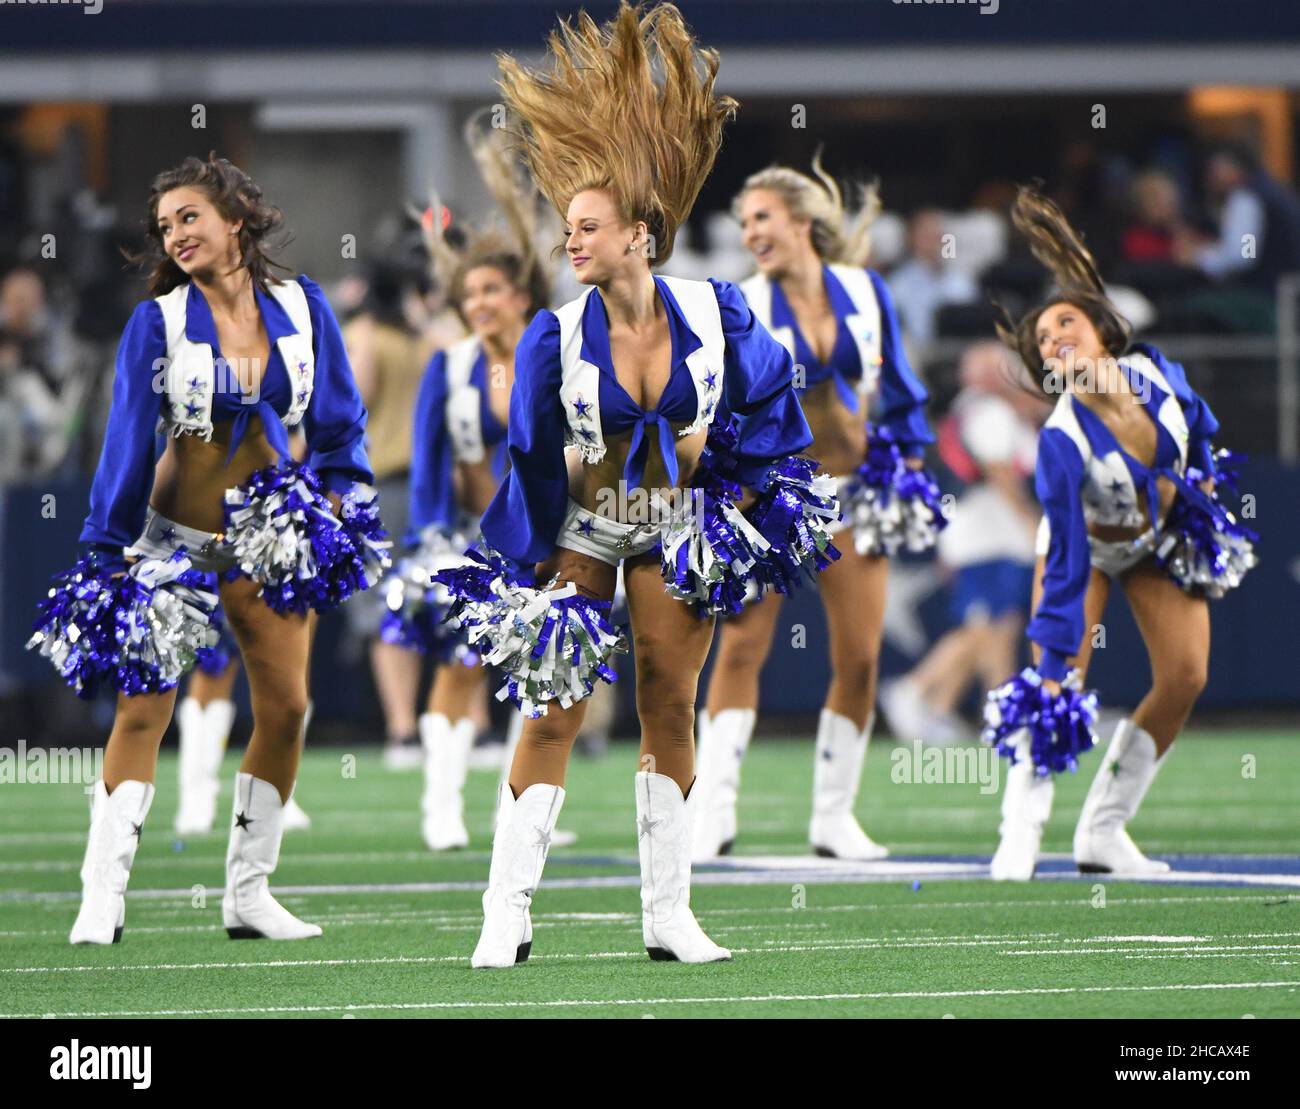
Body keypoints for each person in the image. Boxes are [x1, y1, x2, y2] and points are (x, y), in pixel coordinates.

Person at [443, 1, 835, 967]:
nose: (570, 242)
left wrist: (732, 497)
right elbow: (530, 458)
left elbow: (775, 408)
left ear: (639, 236)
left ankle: (668, 915)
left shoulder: (719, 311)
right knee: (553, 708)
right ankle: (507, 909)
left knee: (671, 701)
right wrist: (525, 566)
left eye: (587, 227)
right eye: (566, 227)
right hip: (583, 530)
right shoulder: (553, 335)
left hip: (676, 528)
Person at [28, 154, 386, 942]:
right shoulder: (157, 322)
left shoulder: (304, 305)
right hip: (175, 537)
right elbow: (126, 440)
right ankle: (102, 894)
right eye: (165, 226)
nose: (176, 234)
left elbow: (338, 422)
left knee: (288, 707)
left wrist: (339, 501)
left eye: (190, 216)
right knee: (144, 709)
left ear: (236, 218)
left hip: (272, 539)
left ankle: (248, 893)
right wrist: (105, 546)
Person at [982, 186, 1256, 881]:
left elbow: (1198, 434)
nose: (1053, 340)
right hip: (1084, 554)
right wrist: (1057, 643)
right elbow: (1070, 559)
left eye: (1065, 323)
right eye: (1043, 340)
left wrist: (1202, 497)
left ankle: (1103, 830)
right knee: (1055, 684)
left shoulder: (1158, 375)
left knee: (1187, 674)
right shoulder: (1062, 440)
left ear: (1103, 331)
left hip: (1155, 542)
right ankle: (1022, 831)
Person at [691, 156, 940, 862]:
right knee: (742, 645)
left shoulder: (864, 290)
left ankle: (833, 816)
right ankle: (716, 810)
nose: (751, 233)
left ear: (801, 221)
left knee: (860, 656)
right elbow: (724, 407)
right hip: (775, 497)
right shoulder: (742, 303)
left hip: (857, 491)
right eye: (744, 224)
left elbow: (901, 383)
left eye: (762, 218)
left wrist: (911, 455)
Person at [387, 110, 553, 851]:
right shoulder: (448, 366)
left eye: (492, 291)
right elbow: (428, 462)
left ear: (521, 296)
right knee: (459, 665)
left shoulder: (553, 357)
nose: (481, 304)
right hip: (470, 538)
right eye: (470, 295)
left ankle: (520, 805)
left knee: (542, 671)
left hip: (545, 536)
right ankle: (440, 805)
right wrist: (428, 540)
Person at [880, 340, 1041, 746]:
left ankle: (987, 712)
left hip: (988, 531)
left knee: (1001, 626)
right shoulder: (988, 411)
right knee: (983, 624)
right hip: (987, 532)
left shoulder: (994, 411)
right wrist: (1030, 520)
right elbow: (1000, 471)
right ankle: (914, 689)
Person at [884, 209, 978, 346]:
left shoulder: (961, 277)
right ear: (912, 240)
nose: (935, 243)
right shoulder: (898, 284)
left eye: (939, 236)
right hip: (920, 354)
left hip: (960, 350)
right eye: (927, 237)